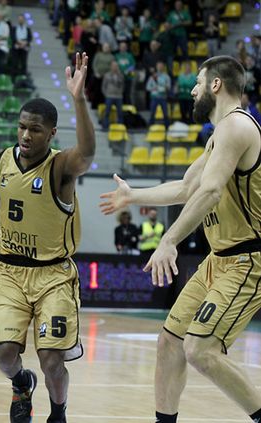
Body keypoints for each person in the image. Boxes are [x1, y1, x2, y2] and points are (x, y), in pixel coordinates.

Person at [100, 55, 261, 423]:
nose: (192, 89)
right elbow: (189, 187)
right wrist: (133, 196)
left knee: (200, 350)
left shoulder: (237, 127)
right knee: (170, 342)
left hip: (248, 259)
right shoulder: (219, 135)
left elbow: (212, 192)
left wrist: (169, 239)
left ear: (216, 85)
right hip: (218, 259)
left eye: (199, 82)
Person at [0, 52, 94, 423]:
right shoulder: (2, 161)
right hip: (9, 273)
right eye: (22, 126)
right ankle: (22, 383)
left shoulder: (61, 167)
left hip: (53, 275)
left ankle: (58, 413)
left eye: (35, 129)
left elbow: (87, 152)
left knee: (52, 359)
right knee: (3, 353)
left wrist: (78, 100)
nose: (25, 135)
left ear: (51, 133)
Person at [147, 61, 171, 127]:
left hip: (163, 97)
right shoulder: (152, 76)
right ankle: (150, 127)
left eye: (161, 66)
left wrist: (164, 88)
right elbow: (148, 87)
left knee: (165, 114)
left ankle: (167, 127)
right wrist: (153, 88)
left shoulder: (166, 77)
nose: (160, 67)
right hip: (154, 97)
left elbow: (169, 87)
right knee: (152, 113)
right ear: (156, 67)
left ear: (163, 67)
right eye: (158, 66)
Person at [101, 60, 124, 130]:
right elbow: (103, 86)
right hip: (109, 96)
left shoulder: (120, 75)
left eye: (116, 66)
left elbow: (122, 85)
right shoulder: (107, 75)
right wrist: (106, 94)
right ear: (111, 67)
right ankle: (105, 126)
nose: (115, 67)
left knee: (120, 113)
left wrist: (120, 92)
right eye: (113, 66)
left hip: (118, 96)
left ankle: (120, 127)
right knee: (107, 112)